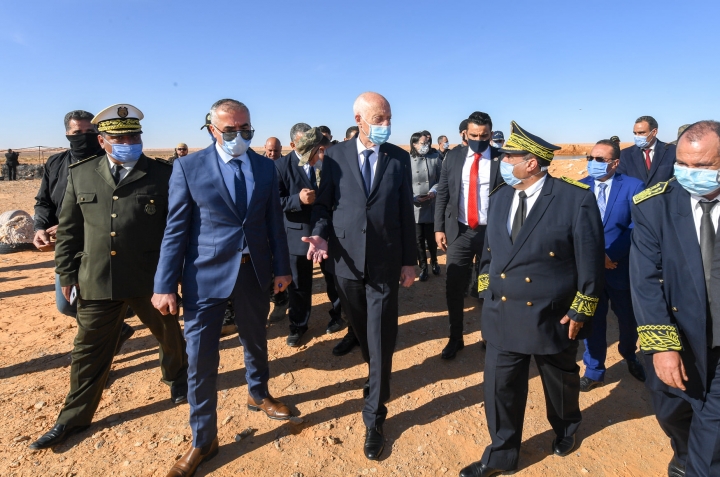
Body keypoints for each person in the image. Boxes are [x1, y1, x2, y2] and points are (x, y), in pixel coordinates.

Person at [29, 104, 189, 451]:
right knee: (88, 350)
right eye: (120, 138)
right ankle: (73, 417)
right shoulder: (82, 174)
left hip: (149, 279)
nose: (129, 143)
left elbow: (175, 230)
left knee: (168, 335)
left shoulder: (162, 174)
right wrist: (66, 273)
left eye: (134, 136)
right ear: (102, 141)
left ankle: (177, 377)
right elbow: (70, 230)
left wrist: (173, 277)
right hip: (98, 277)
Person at [152, 99, 293, 477]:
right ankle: (204, 439)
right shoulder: (188, 167)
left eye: (245, 129)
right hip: (204, 278)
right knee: (200, 358)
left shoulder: (265, 167)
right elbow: (175, 229)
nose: (239, 136)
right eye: (230, 130)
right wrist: (164, 283)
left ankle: (258, 393)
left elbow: (273, 223)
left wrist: (282, 268)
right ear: (212, 130)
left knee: (256, 339)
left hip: (253, 273)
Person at [460, 121, 605, 477]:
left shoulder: (574, 199)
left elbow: (590, 263)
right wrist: (486, 292)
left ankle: (566, 427)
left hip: (550, 315)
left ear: (532, 163)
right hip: (503, 312)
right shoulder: (500, 197)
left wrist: (581, 310)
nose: (503, 162)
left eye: (509, 157)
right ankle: (501, 454)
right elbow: (490, 254)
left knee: (559, 383)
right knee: (500, 389)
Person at [303, 92, 416, 460]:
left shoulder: (399, 158)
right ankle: (374, 369)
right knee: (363, 329)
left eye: (389, 118)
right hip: (346, 262)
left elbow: (405, 211)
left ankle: (375, 416)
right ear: (359, 119)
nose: (386, 125)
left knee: (381, 334)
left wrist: (410, 260)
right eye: (379, 118)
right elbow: (324, 205)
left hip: (385, 262)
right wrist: (320, 233)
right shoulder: (335, 156)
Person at [630, 120, 720, 477]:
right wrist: (663, 347)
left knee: (710, 451)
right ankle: (682, 451)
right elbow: (645, 280)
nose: (689, 173)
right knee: (671, 413)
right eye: (682, 163)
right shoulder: (654, 206)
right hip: (678, 337)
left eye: (702, 166)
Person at [434, 111, 504, 360]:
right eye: (473, 135)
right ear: (465, 134)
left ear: (490, 133)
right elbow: (443, 193)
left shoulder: (501, 159)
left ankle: (489, 335)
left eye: (484, 136)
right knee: (454, 285)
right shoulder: (453, 157)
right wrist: (439, 228)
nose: (478, 140)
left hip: (491, 235)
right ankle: (456, 337)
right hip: (460, 231)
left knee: (489, 287)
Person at [578, 140, 646, 392]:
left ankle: (629, 354)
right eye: (590, 158)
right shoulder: (579, 187)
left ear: (615, 163)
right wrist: (596, 256)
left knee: (627, 319)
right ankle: (594, 370)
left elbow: (637, 226)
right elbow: (574, 227)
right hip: (589, 269)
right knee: (593, 320)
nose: (593, 163)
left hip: (620, 267)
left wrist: (611, 254)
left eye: (600, 159)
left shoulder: (633, 186)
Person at [276, 127, 345, 347]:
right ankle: (298, 325)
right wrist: (297, 200)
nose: (313, 153)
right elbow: (273, 202)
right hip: (298, 236)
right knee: (299, 285)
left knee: (334, 279)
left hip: (328, 233)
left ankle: (339, 316)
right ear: (293, 145)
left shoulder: (328, 162)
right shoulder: (280, 167)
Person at [410, 132, 443, 281]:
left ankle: (434, 262)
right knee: (418, 240)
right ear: (414, 144)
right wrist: (413, 197)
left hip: (430, 204)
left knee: (431, 239)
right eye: (423, 143)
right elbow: (404, 183)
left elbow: (442, 179)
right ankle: (423, 267)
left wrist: (434, 191)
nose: (426, 146)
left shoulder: (435, 158)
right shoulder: (407, 160)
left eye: (427, 143)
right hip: (415, 206)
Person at [617, 115, 676, 187]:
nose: (637, 136)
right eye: (635, 133)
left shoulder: (672, 151)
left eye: (641, 133)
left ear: (654, 132)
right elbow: (622, 182)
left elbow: (676, 182)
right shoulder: (625, 154)